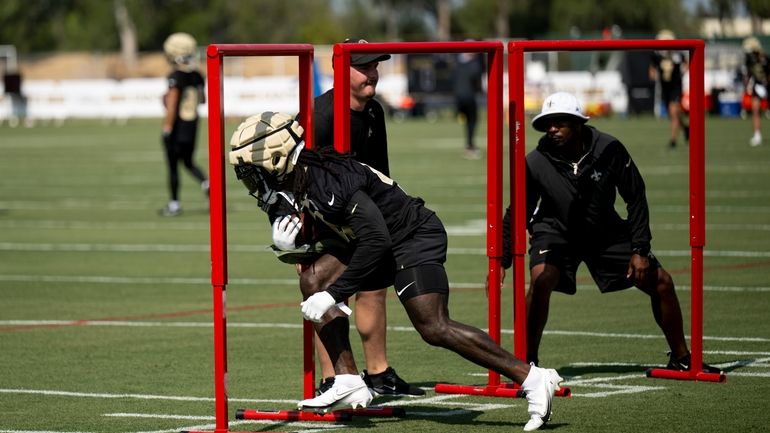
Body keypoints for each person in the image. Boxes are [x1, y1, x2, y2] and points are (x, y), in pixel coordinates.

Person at [229, 111, 564, 431]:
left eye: (252, 170)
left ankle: (533, 377)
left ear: (275, 159)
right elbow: (318, 226)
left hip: (412, 236)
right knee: (313, 278)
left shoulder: (328, 181)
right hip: (376, 241)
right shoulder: (300, 176)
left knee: (433, 326)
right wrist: (289, 242)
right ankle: (347, 380)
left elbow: (375, 240)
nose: (251, 180)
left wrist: (334, 293)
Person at [499, 92, 722, 375]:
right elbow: (518, 209)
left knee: (662, 283)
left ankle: (681, 358)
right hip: (555, 230)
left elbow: (635, 195)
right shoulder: (535, 161)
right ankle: (527, 365)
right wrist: (502, 259)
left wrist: (640, 249)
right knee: (541, 278)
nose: (552, 128)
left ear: (578, 123)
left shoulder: (609, 148)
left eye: (560, 122)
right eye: (548, 123)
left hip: (604, 230)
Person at [302, 38, 422, 397]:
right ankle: (332, 378)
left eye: (375, 66)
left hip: (366, 216)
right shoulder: (318, 115)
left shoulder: (374, 111)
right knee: (322, 291)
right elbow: (297, 176)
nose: (373, 73)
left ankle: (379, 373)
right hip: (326, 220)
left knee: (374, 290)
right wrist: (303, 238)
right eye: (364, 67)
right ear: (341, 70)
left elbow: (379, 170)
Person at [158, 32, 209, 216]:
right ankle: (206, 183)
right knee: (188, 162)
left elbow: (172, 104)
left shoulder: (175, 76)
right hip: (193, 124)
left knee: (173, 165)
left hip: (178, 125)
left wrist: (167, 128)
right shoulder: (197, 75)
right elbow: (202, 100)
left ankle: (174, 204)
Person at [648, 29, 689, 149]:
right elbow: (651, 69)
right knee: (673, 114)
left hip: (676, 86)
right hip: (665, 87)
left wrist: (683, 70)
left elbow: (686, 63)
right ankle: (686, 128)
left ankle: (673, 141)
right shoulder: (657, 54)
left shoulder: (677, 54)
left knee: (673, 111)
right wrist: (653, 73)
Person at [451, 51, 484, 159]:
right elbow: (476, 77)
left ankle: (469, 145)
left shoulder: (457, 64)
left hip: (458, 97)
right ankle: (469, 146)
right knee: (472, 121)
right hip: (468, 97)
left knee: (467, 121)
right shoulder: (473, 64)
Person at [741, 36, 770, 147]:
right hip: (757, 85)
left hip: (766, 85)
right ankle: (757, 135)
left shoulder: (765, 58)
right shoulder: (748, 60)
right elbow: (748, 74)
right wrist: (747, 84)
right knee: (755, 110)